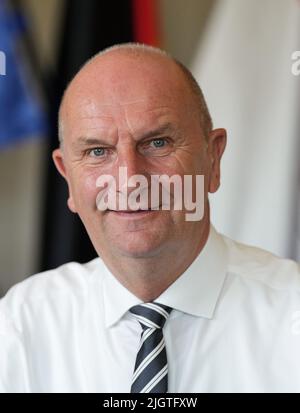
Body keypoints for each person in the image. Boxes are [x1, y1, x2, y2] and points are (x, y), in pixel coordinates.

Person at [0, 43, 299, 393]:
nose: (130, 179)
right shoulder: (20, 325)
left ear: (213, 160)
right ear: (67, 176)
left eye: (157, 143)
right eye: (97, 151)